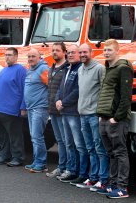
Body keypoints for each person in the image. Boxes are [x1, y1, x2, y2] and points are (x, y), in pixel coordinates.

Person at [96, 39, 133, 198]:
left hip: (116, 119)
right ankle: (112, 185)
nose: (106, 52)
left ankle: (122, 188)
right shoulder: (108, 68)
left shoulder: (123, 68)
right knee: (111, 153)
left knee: (120, 152)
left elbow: (126, 97)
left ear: (117, 51)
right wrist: (101, 116)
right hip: (104, 117)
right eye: (105, 50)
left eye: (109, 50)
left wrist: (116, 118)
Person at [76, 44, 109, 191]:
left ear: (91, 52)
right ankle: (93, 177)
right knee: (90, 148)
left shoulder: (99, 68)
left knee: (100, 148)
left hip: (94, 115)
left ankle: (104, 180)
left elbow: (104, 90)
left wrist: (102, 112)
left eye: (85, 52)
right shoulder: (80, 69)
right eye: (80, 52)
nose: (82, 54)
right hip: (83, 115)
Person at [0, 47, 26, 167]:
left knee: (15, 135)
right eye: (6, 55)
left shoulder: (20, 70)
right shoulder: (4, 70)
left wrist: (23, 107)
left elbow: (24, 89)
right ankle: (4, 155)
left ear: (16, 56)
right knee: (1, 136)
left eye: (10, 55)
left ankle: (17, 157)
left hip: (10, 110)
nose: (7, 57)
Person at [55, 44, 88, 184]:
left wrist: (63, 102)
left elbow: (78, 90)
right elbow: (61, 88)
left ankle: (82, 173)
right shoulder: (67, 68)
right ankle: (71, 170)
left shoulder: (80, 68)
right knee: (69, 143)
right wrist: (57, 99)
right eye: (68, 53)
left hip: (74, 112)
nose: (70, 55)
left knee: (79, 145)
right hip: (64, 112)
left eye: (73, 53)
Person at [23, 48, 50, 173]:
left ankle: (41, 163)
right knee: (34, 137)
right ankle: (36, 161)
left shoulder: (43, 69)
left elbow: (51, 87)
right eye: (29, 57)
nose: (30, 59)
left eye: (33, 56)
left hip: (40, 108)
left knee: (37, 136)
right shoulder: (30, 70)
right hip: (31, 108)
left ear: (40, 57)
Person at [46, 42, 69, 178]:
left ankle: (67, 168)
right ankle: (61, 167)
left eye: (57, 50)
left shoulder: (66, 68)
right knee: (60, 140)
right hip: (52, 110)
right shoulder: (52, 68)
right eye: (53, 50)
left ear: (64, 52)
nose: (54, 52)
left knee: (66, 141)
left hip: (63, 111)